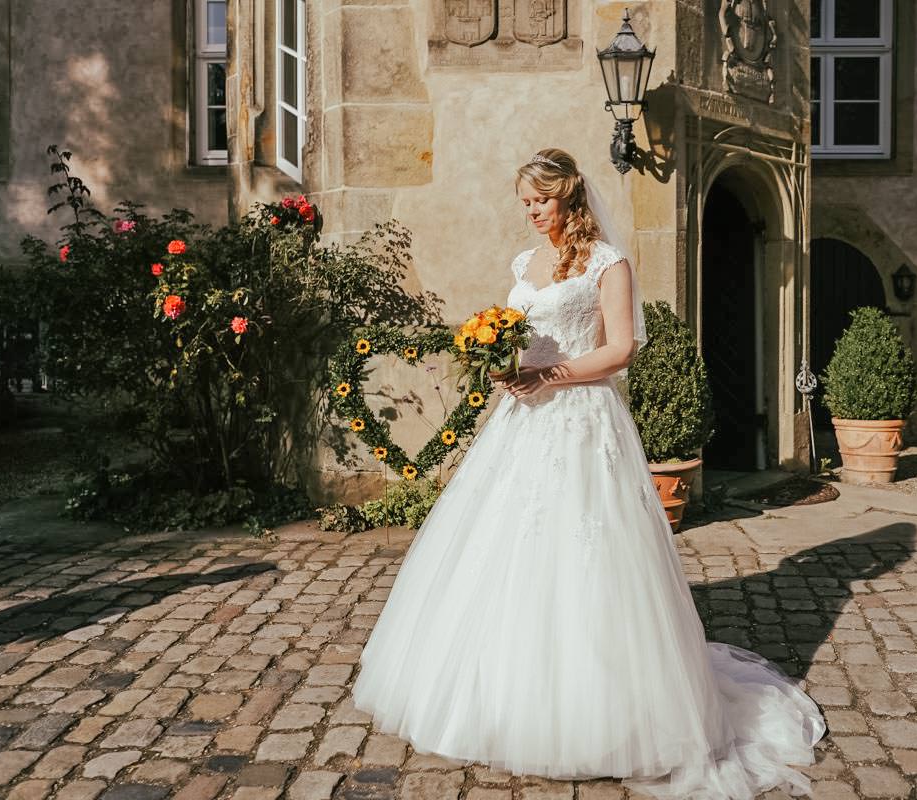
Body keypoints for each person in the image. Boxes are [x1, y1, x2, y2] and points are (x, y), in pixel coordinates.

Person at [351, 147, 826, 800]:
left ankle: (595, 709)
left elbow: (622, 345)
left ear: (568, 199)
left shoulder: (608, 260)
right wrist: (497, 358)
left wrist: (551, 374)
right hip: (522, 423)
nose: (530, 214)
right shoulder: (526, 263)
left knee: (587, 549)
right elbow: (519, 330)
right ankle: (499, 692)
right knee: (505, 548)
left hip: (580, 418)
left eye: (539, 202)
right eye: (523, 203)